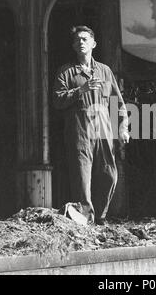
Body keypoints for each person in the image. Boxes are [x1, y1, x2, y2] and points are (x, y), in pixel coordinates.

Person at [53, 26, 129, 225]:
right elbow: (57, 101)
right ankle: (86, 219)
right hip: (79, 129)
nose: (81, 42)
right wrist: (81, 90)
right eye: (77, 40)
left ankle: (101, 215)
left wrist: (123, 127)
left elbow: (118, 103)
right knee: (82, 176)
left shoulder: (104, 70)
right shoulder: (66, 72)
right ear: (73, 46)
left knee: (109, 174)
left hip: (103, 127)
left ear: (93, 44)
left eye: (85, 39)